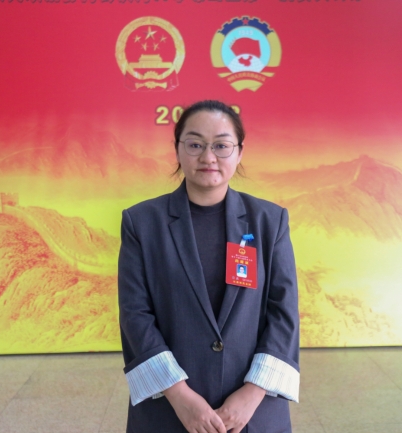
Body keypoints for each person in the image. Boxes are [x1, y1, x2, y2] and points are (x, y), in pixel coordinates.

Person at [118, 100, 299, 433]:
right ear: (177, 149)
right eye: (195, 144)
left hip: (252, 412)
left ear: (239, 152)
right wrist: (181, 396)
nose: (208, 157)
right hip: (169, 410)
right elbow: (135, 314)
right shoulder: (141, 223)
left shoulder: (269, 221)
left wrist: (251, 394)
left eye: (221, 145)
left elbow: (283, 313)